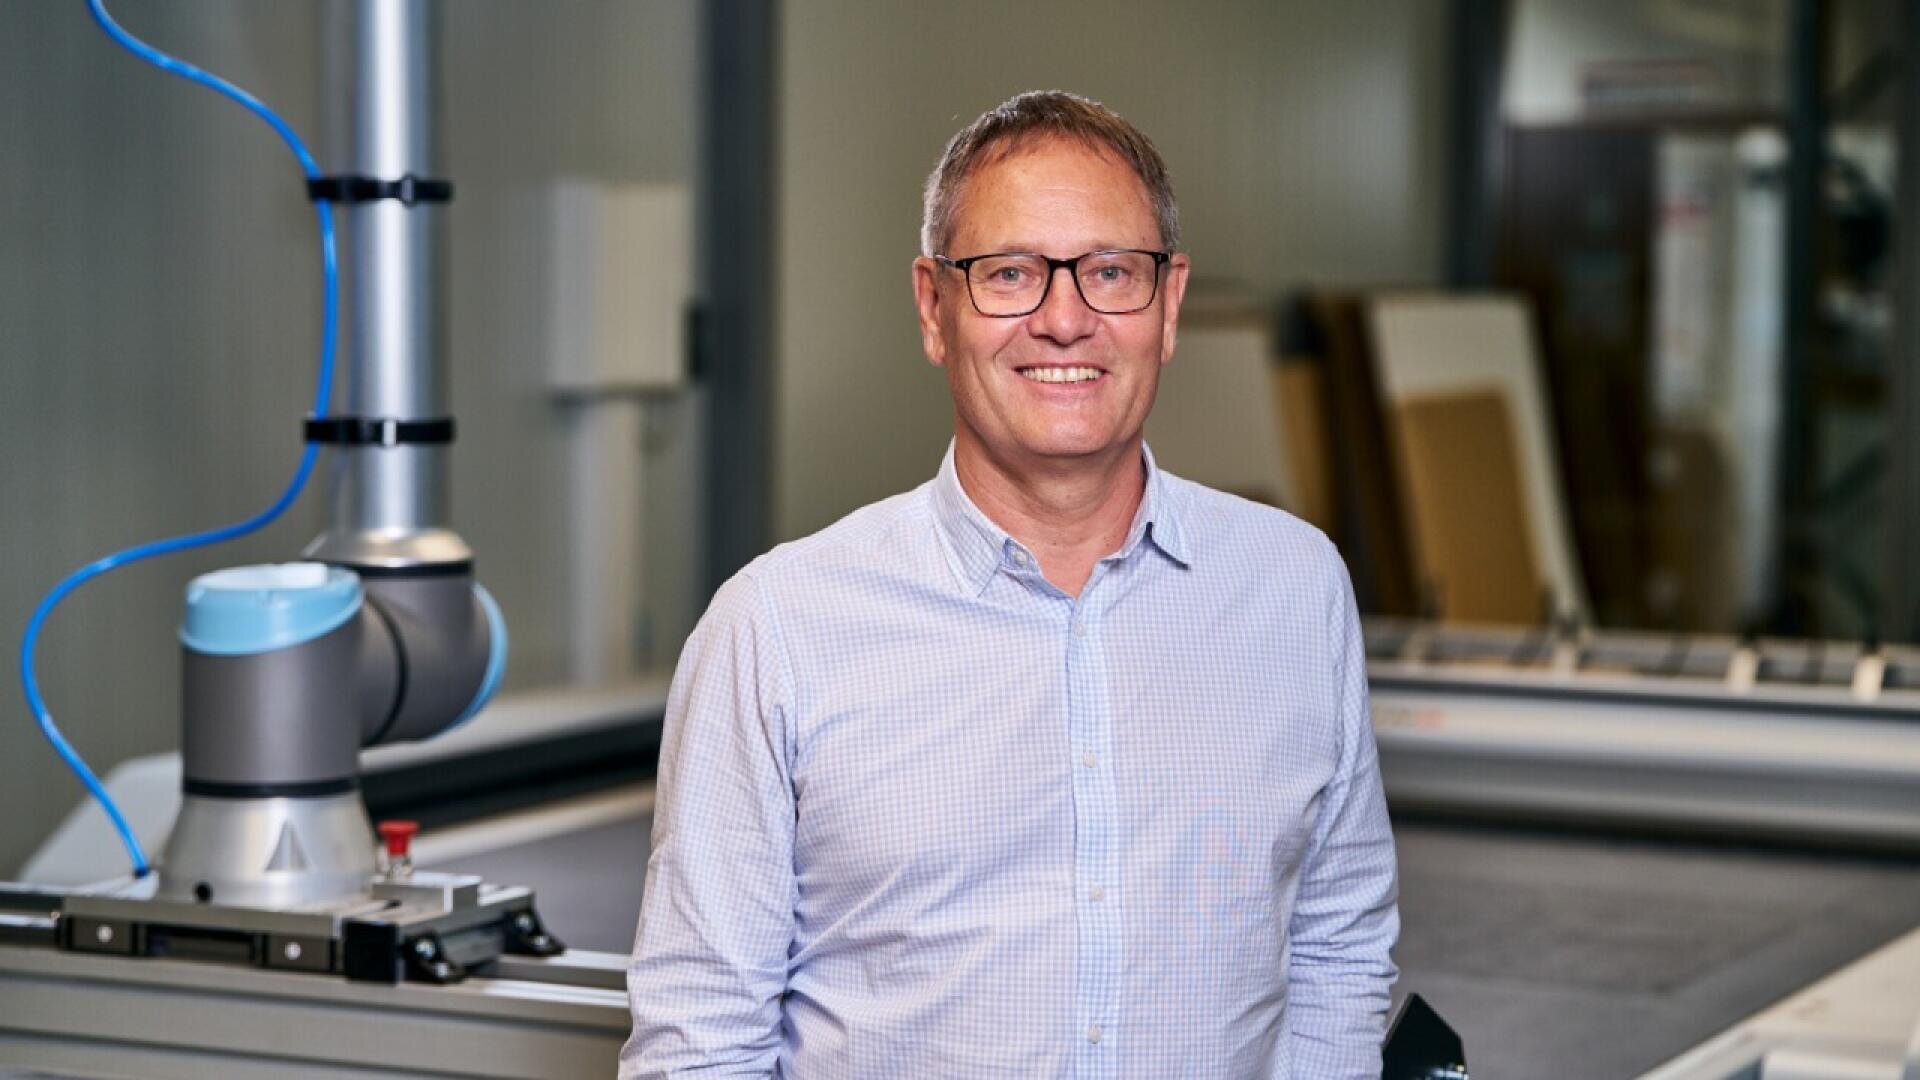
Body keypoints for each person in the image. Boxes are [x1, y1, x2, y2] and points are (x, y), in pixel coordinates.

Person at [622, 90, 1398, 1079]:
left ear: (1169, 305)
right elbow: (700, 1039)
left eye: (1111, 271)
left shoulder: (1295, 592)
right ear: (932, 308)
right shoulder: (778, 629)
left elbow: (1337, 946)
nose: (1064, 320)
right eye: (1011, 274)